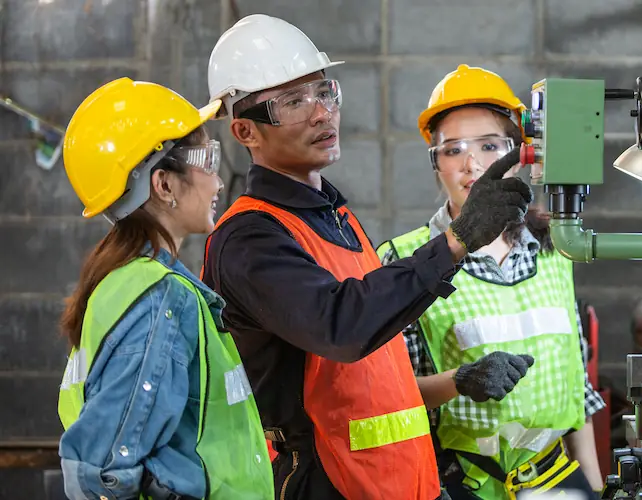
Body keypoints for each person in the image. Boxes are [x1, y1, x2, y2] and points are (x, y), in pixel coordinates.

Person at [199, 15, 534, 500]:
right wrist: (456, 241)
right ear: (245, 132)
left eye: (324, 92)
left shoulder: (336, 217)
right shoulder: (249, 237)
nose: (321, 113)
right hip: (328, 484)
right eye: (293, 101)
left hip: (402, 483)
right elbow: (340, 325)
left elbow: (378, 369)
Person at [376, 64, 606, 500]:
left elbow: (579, 392)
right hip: (459, 483)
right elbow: (390, 398)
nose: (472, 164)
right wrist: (459, 380)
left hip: (555, 480)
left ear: (519, 153)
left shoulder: (555, 248)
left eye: (489, 146)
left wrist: (595, 487)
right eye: (452, 149)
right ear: (435, 163)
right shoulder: (405, 260)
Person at [56, 77, 273, 500]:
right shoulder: (160, 299)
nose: (218, 182)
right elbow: (105, 472)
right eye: (207, 160)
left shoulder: (118, 282)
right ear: (164, 185)